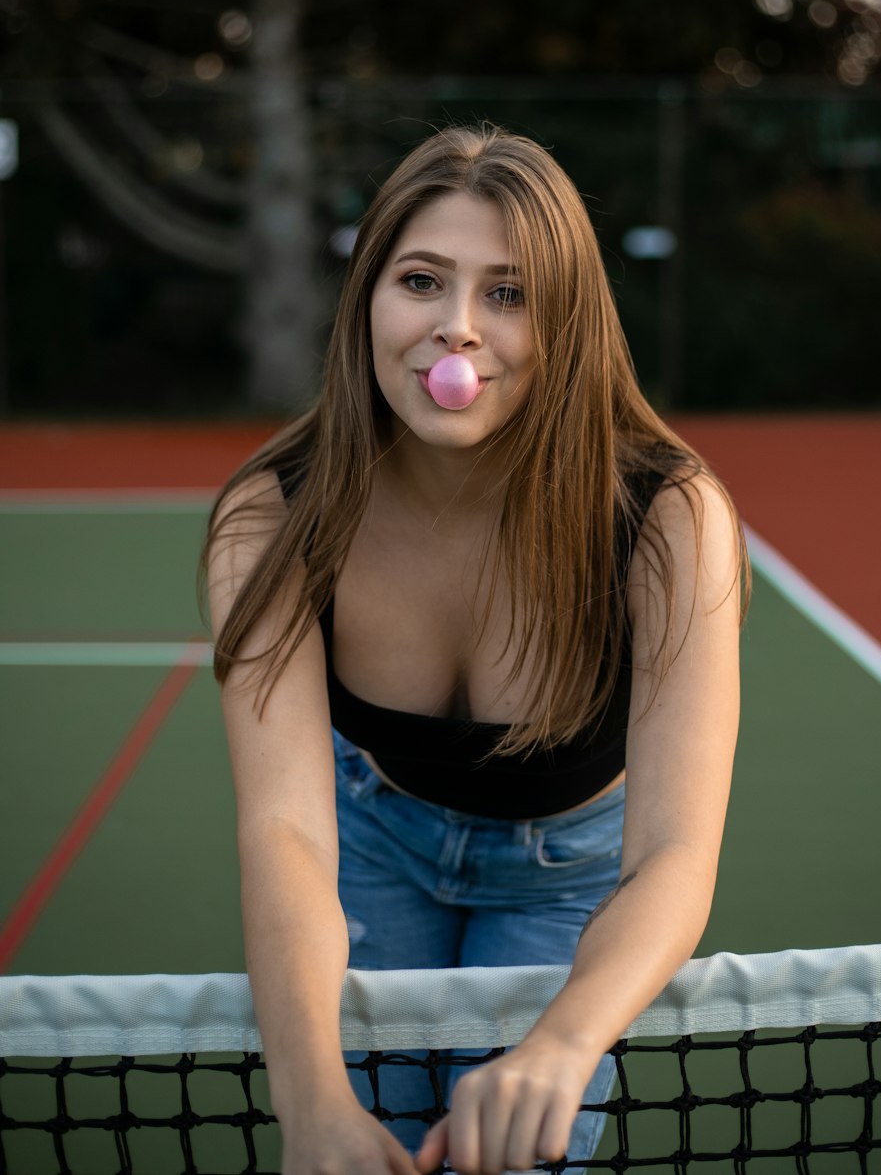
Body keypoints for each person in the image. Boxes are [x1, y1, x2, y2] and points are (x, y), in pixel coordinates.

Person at [204, 124, 746, 1175]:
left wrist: (561, 1044)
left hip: (573, 876)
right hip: (368, 842)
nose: (456, 330)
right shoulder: (269, 519)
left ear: (566, 324)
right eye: (421, 279)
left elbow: (675, 854)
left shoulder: (669, 517)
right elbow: (287, 834)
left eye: (509, 294)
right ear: (367, 296)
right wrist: (309, 1102)